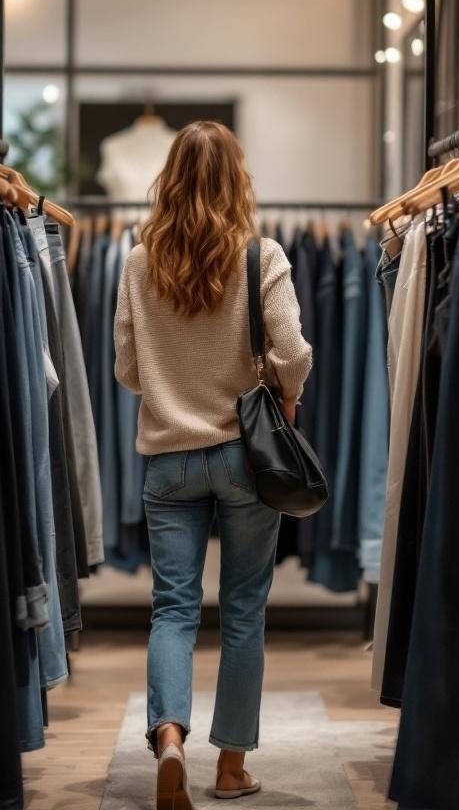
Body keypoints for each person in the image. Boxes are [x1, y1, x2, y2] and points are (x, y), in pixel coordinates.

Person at [114, 121, 312, 810]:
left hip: (167, 459)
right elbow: (291, 354)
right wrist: (286, 395)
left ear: (169, 177)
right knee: (243, 612)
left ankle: (169, 737)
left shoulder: (139, 260)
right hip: (245, 457)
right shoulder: (263, 256)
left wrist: (177, 381)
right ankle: (229, 770)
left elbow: (128, 371)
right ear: (236, 179)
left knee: (172, 609)